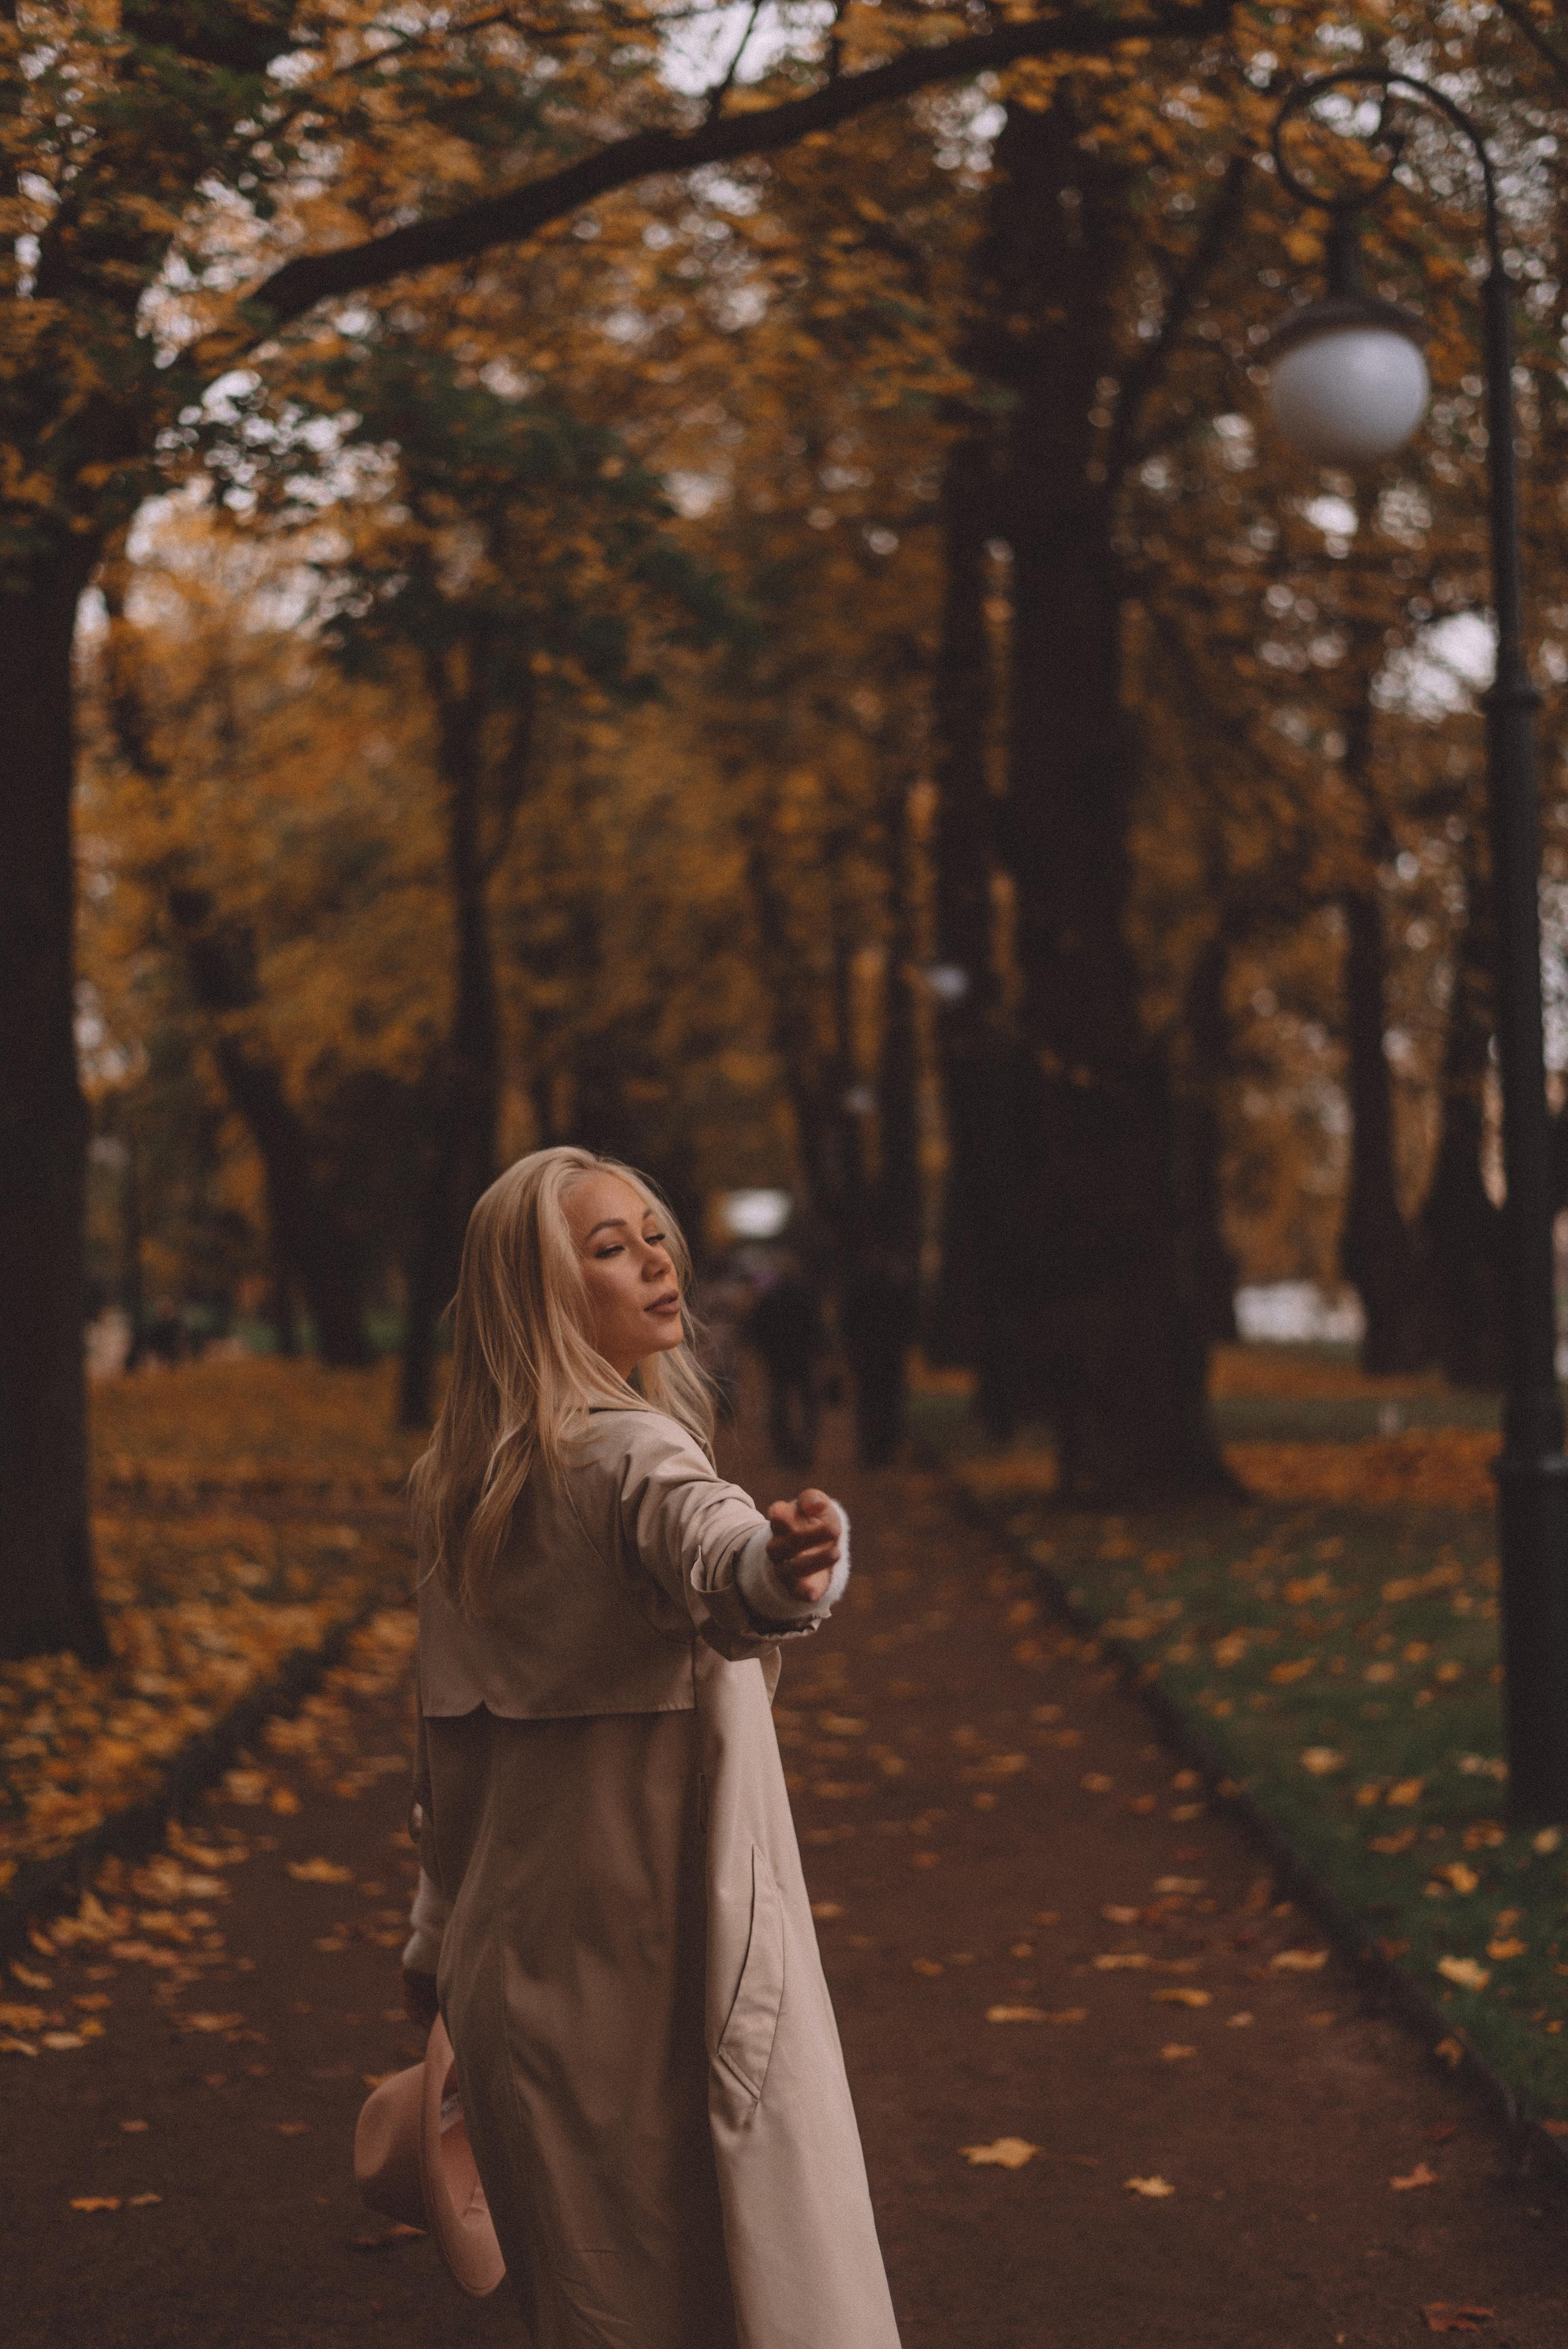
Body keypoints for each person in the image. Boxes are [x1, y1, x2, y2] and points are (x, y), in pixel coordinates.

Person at [398, 1146, 902, 2349]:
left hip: (509, 1977)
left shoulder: (467, 1489)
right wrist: (780, 1572)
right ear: (537, 1293)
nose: (655, 1262)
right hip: (655, 1972)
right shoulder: (631, 1454)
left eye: (652, 1233)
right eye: (608, 1247)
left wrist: (431, 1941)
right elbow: (714, 1553)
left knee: (587, 2298)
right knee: (704, 2284)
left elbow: (445, 1768)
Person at [744, 1258, 825, 1468]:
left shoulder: (771, 1298)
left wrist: (764, 1350)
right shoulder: (807, 1296)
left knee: (779, 1403)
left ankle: (783, 1448)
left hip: (778, 1357)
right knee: (808, 1404)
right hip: (803, 1357)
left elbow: (754, 1326)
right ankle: (806, 1446)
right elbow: (817, 1326)